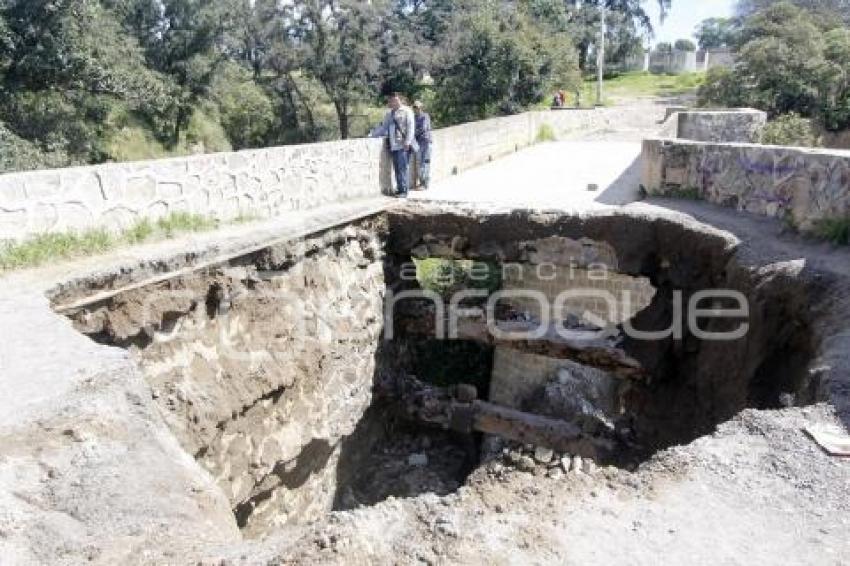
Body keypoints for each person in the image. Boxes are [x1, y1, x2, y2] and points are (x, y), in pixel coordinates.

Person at [379, 93, 416, 197]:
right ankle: (400, 189)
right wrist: (372, 135)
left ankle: (404, 190)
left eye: (395, 100)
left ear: (399, 100)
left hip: (403, 144)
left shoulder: (407, 111)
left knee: (402, 168)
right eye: (391, 101)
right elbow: (384, 127)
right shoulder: (389, 114)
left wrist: (408, 142)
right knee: (396, 168)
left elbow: (411, 127)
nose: (393, 102)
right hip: (393, 145)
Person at [412, 100, 433, 190]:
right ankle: (422, 183)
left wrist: (413, 133)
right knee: (420, 163)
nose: (416, 109)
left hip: (426, 141)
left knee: (425, 162)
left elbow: (423, 128)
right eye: (415, 108)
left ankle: (425, 184)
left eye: (418, 107)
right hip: (418, 142)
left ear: (421, 108)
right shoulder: (413, 117)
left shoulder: (425, 116)